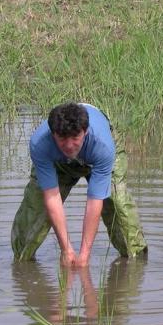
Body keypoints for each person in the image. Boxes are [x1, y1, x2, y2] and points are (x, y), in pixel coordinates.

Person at [11, 102, 148, 267]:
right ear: (53, 134)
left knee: (117, 205)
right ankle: (21, 266)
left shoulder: (102, 146)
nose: (69, 146)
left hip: (96, 156)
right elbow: (51, 197)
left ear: (85, 131)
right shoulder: (40, 144)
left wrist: (84, 254)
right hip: (58, 162)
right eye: (62, 138)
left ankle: (136, 265)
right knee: (36, 207)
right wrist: (66, 249)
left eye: (75, 137)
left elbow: (94, 201)